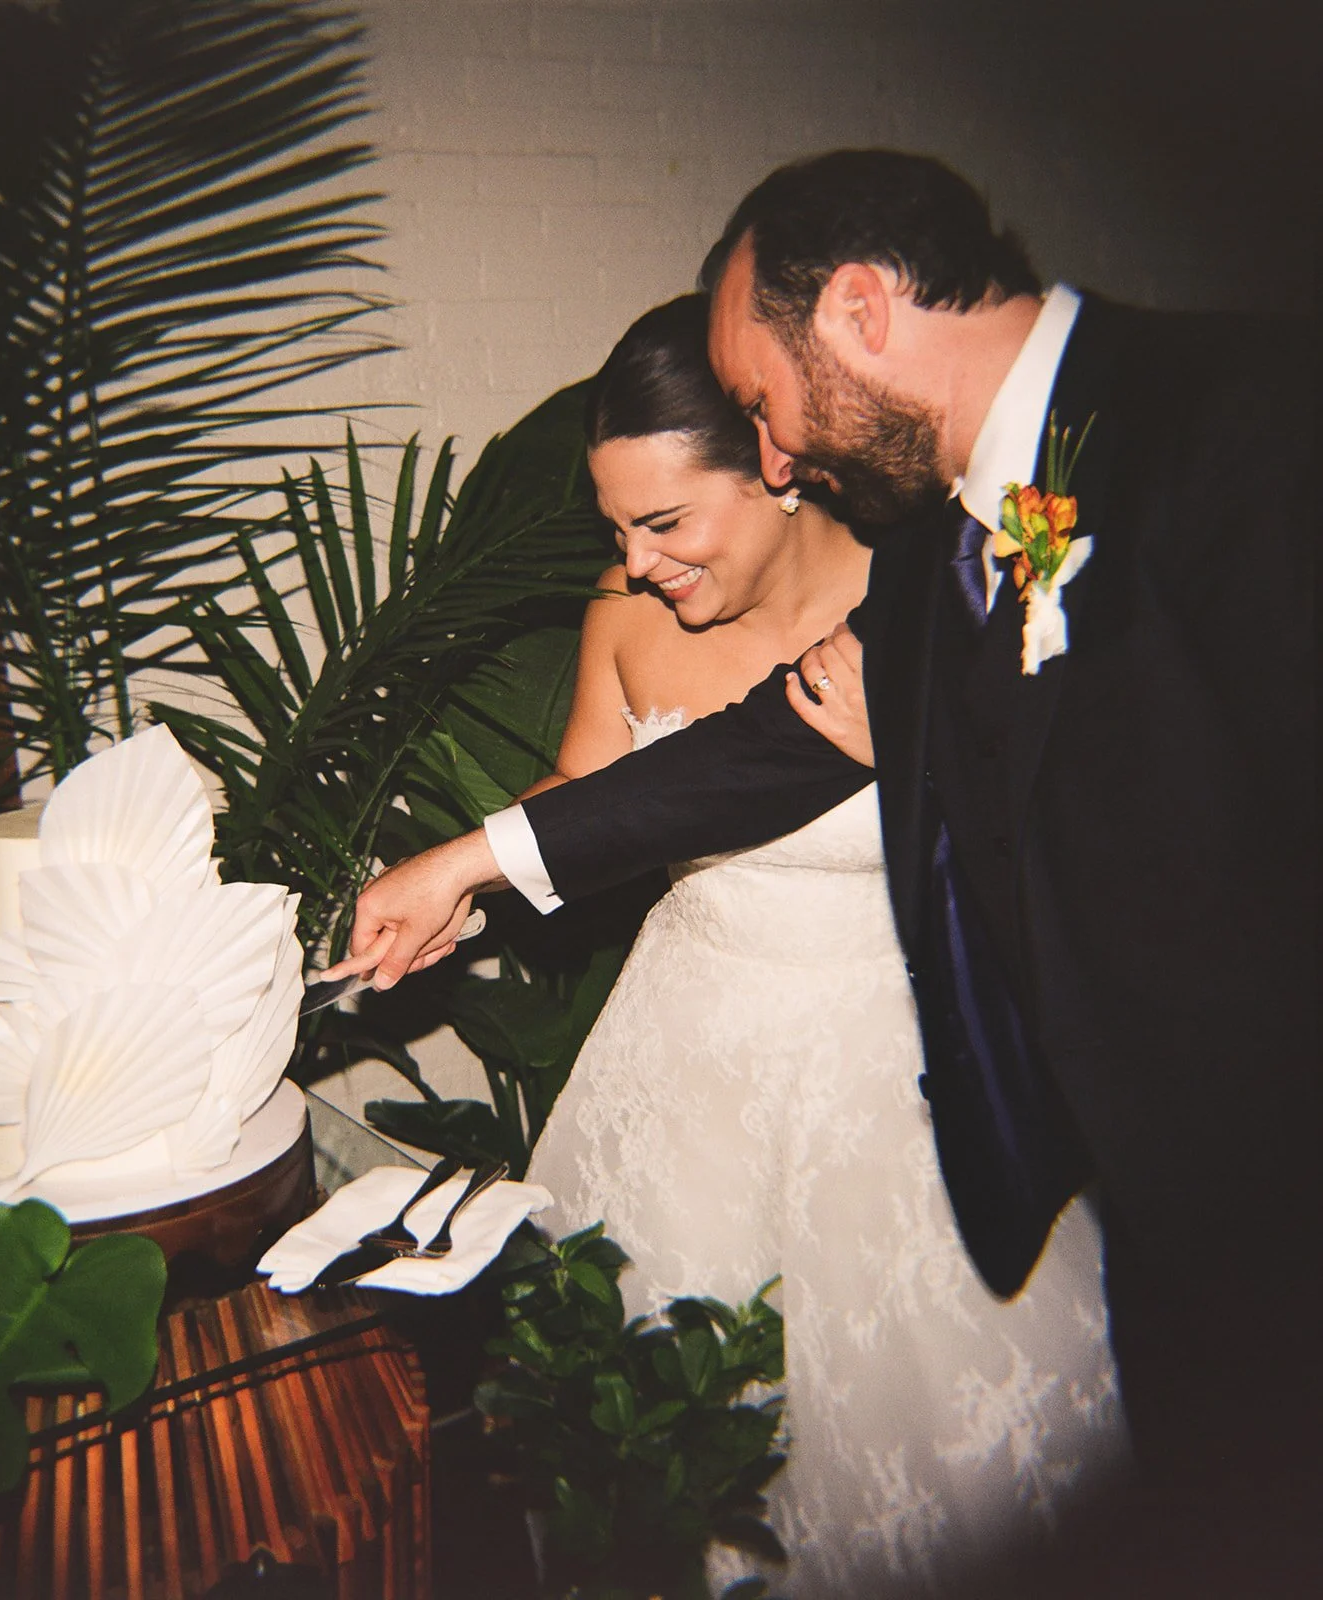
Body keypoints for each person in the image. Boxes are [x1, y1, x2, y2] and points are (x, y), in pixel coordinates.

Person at [328, 152, 1317, 1592]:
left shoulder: (1256, 420)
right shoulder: (938, 547)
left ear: (858, 312)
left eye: (762, 401)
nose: (779, 457)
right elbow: (761, 751)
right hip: (1152, 1214)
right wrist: (472, 863)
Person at [517, 293, 1129, 1596]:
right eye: (617, 530)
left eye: (665, 523)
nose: (635, 563)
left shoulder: (933, 591)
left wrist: (921, 761)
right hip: (684, 1066)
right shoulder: (621, 616)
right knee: (676, 1451)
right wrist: (466, 871)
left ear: (777, 470)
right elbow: (584, 811)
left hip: (891, 1070)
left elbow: (1067, 840)